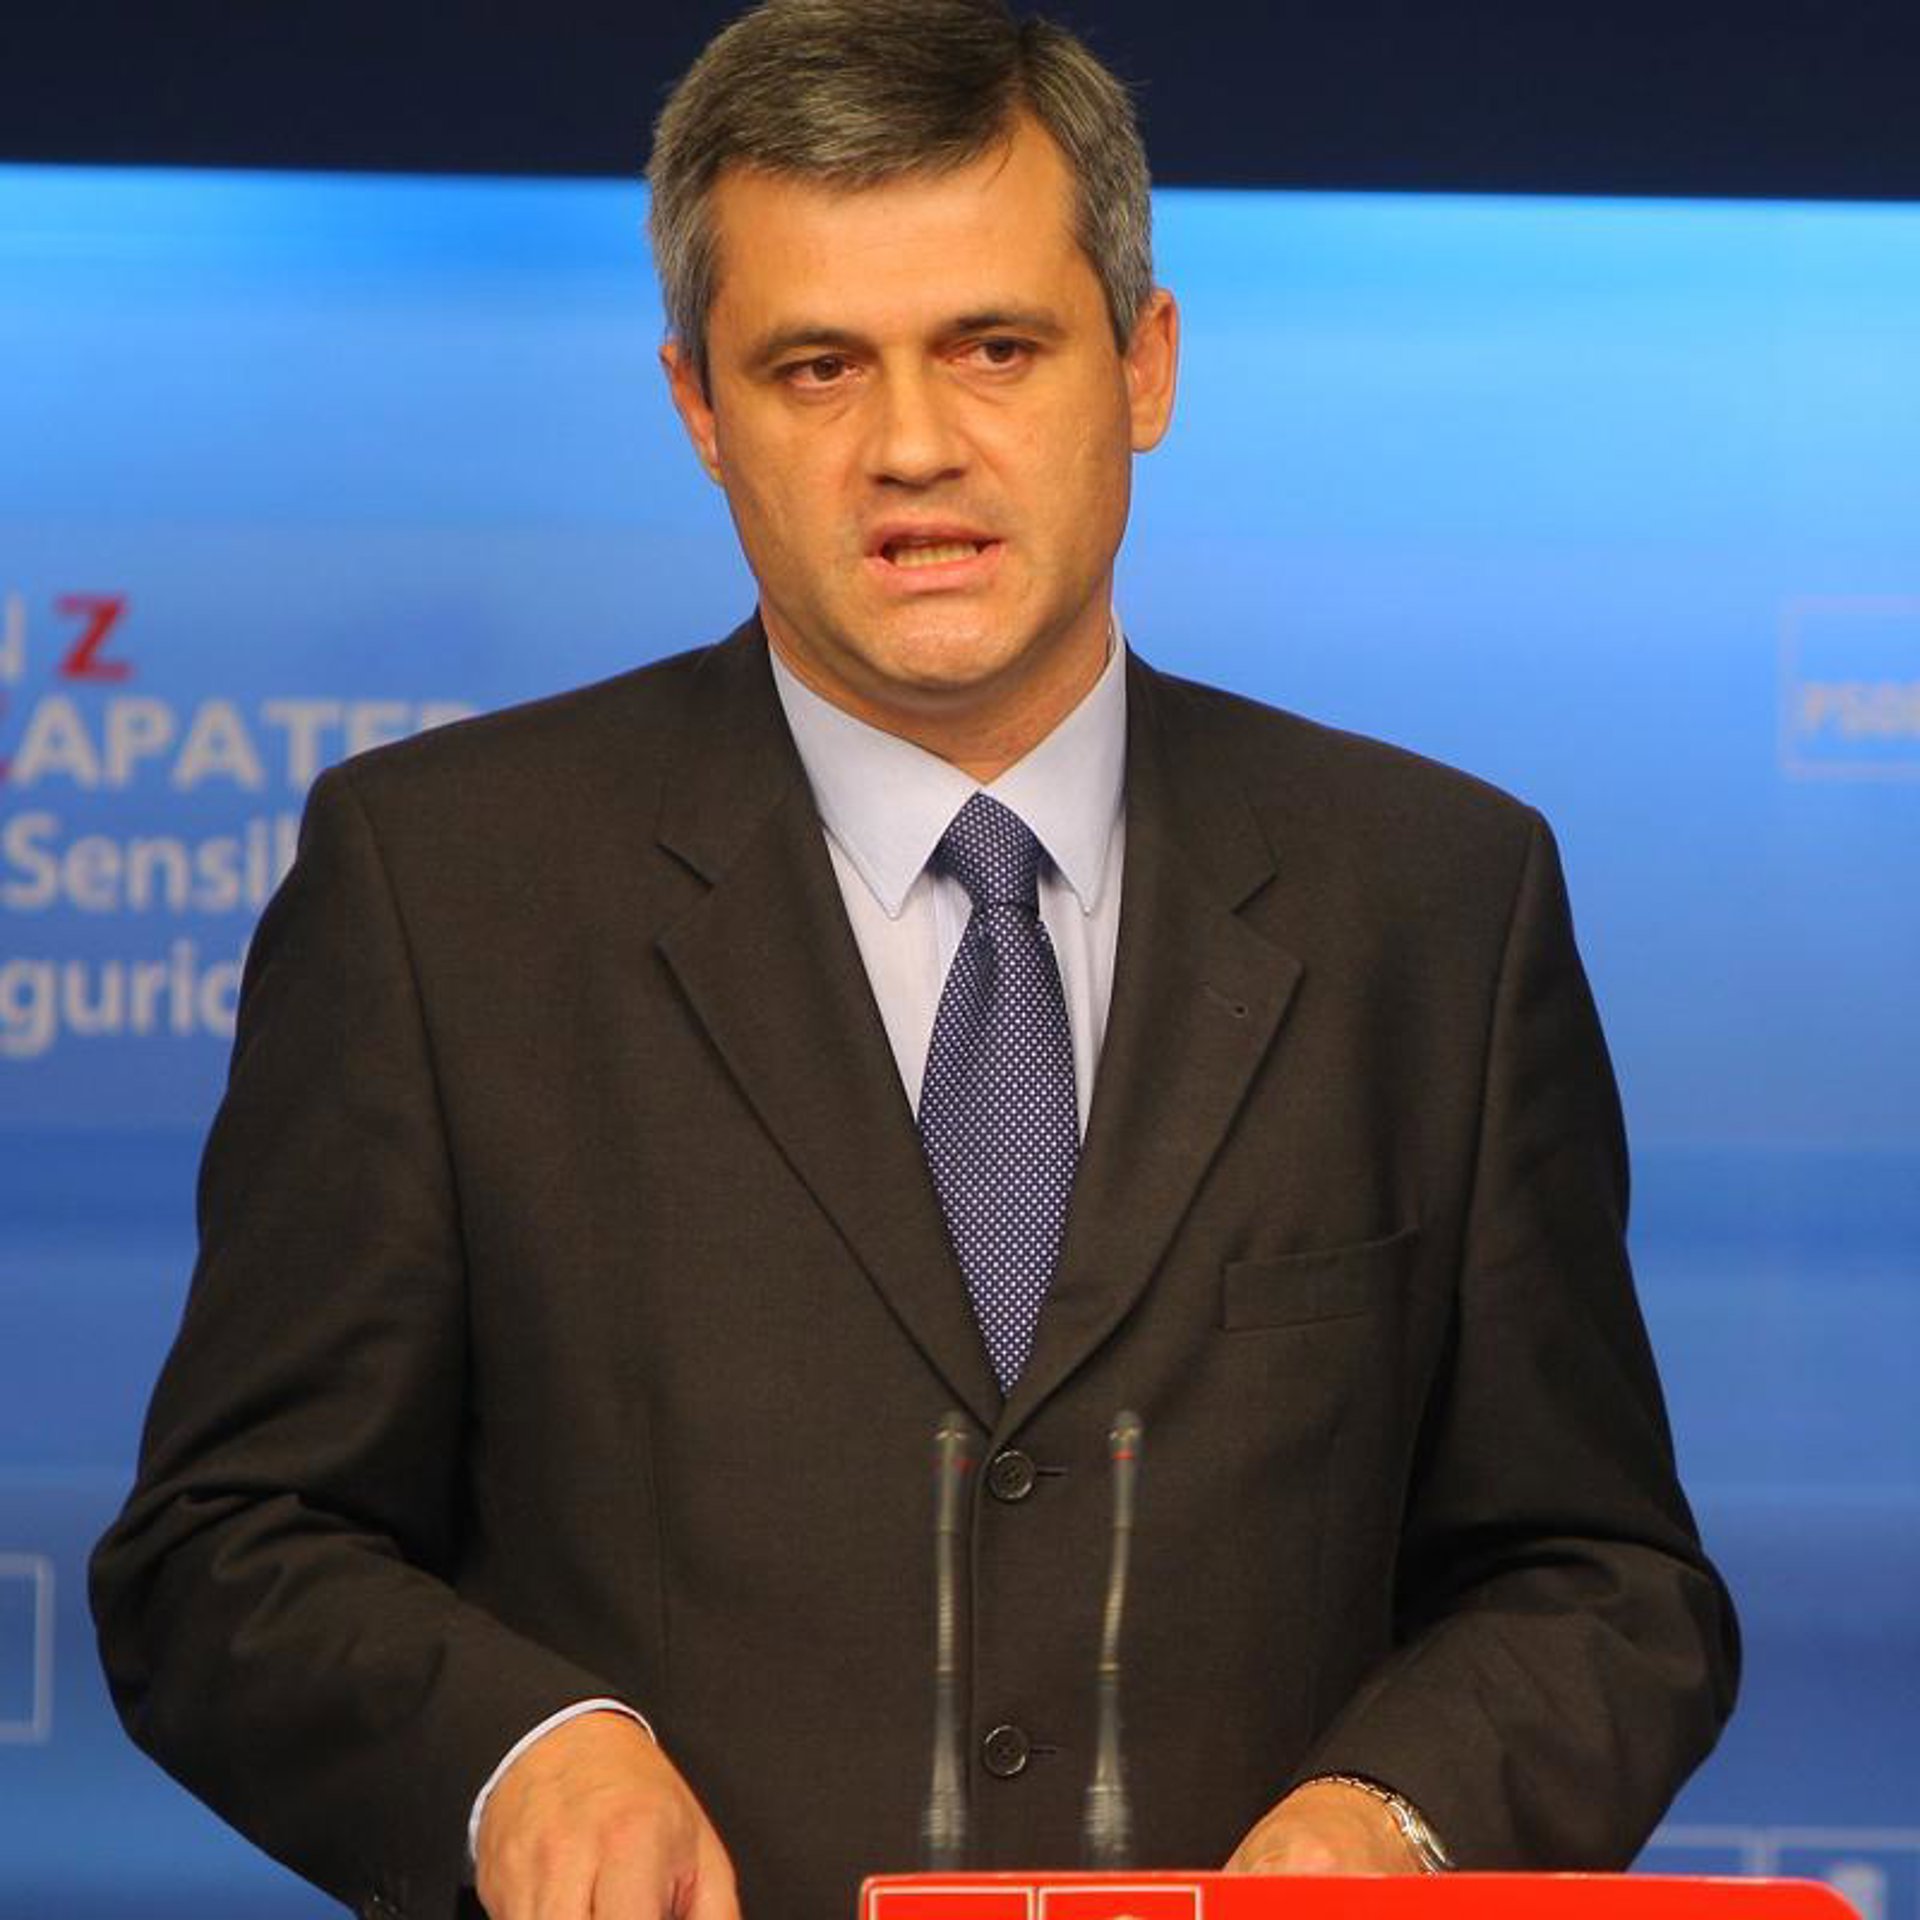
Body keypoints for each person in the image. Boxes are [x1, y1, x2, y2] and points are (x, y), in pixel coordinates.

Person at [90, 3, 1738, 1917]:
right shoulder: (438, 887)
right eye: (815, 368)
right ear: (699, 411)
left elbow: (1601, 1582)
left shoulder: (1438, 899)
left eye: (994, 347)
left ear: (1145, 363)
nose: (914, 448)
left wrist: (1395, 1817)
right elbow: (226, 1551)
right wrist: (519, 1757)